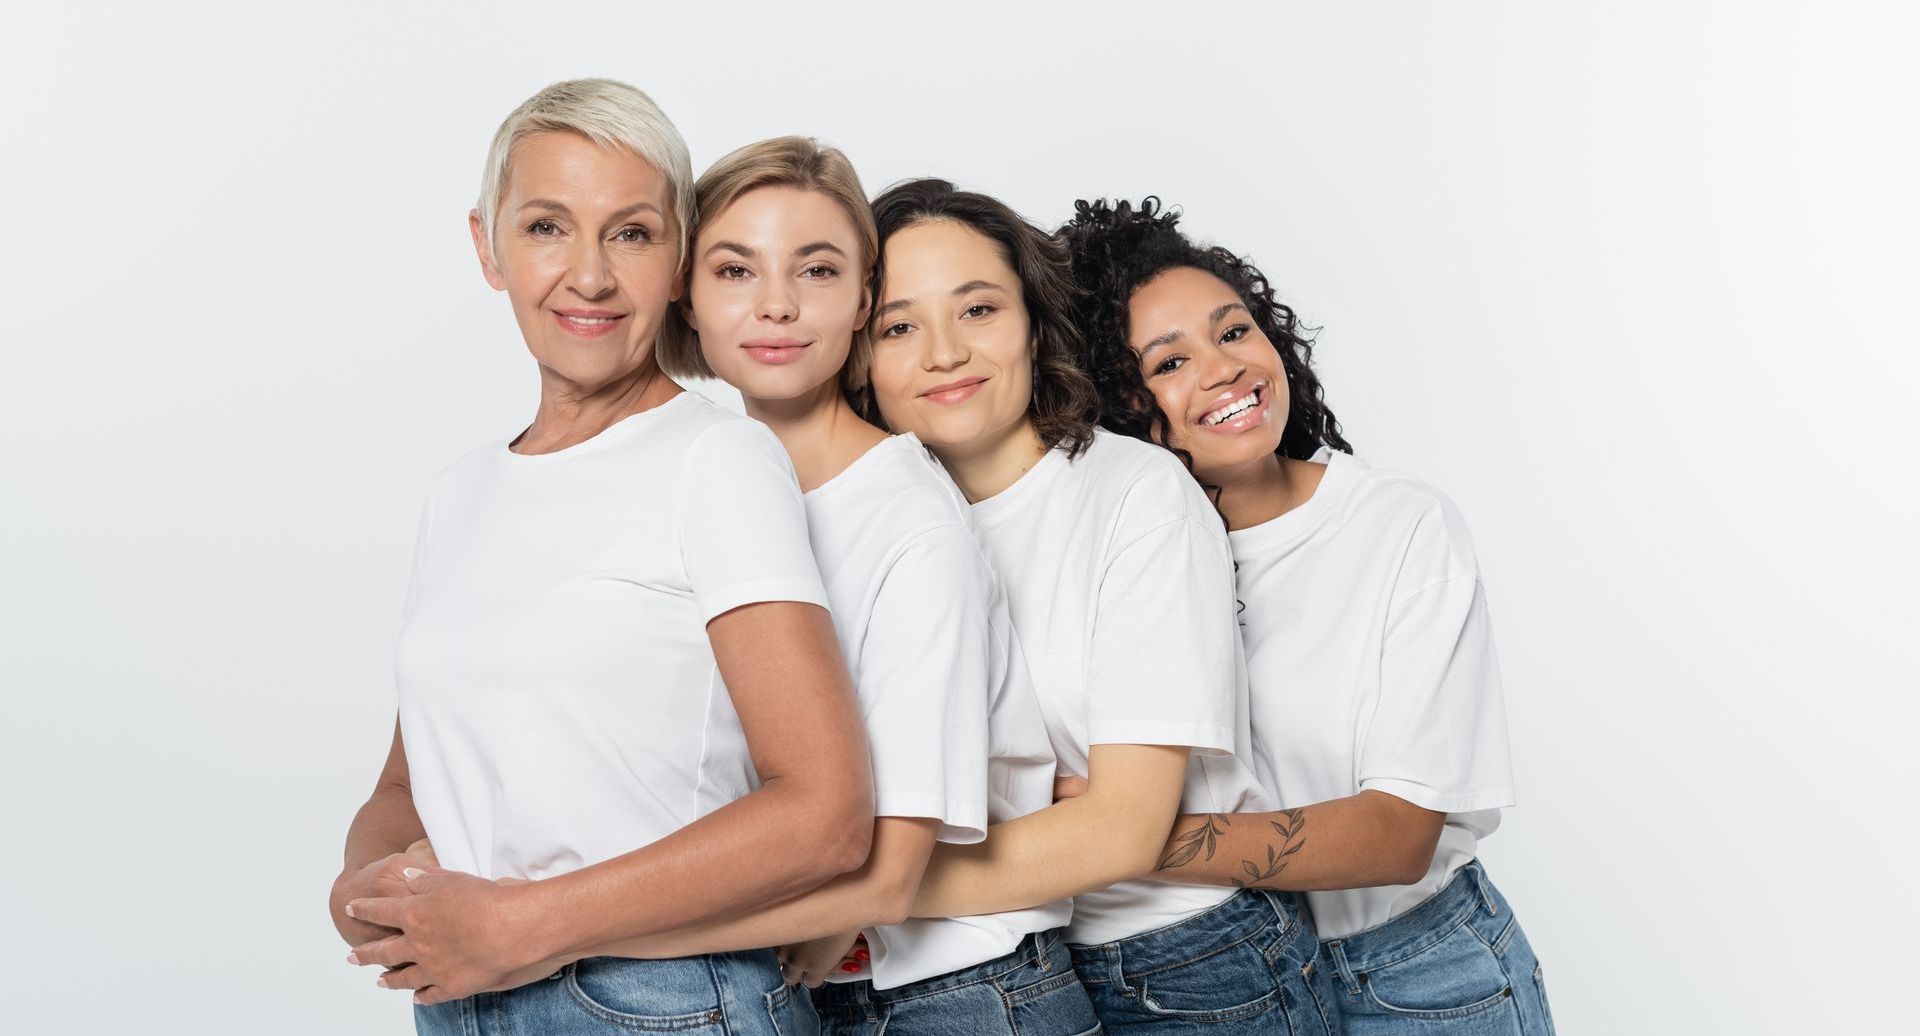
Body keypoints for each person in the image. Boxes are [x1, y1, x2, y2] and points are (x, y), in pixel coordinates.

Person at [330, 80, 874, 1036]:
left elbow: (825, 812)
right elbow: (406, 788)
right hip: (463, 1001)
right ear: (486, 245)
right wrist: (362, 892)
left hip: (659, 1004)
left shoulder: (717, 459)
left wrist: (520, 923)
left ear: (677, 263)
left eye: (630, 233)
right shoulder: (460, 494)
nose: (588, 276)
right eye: (547, 226)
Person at [581, 135, 1098, 1036]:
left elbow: (888, 878)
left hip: (963, 996)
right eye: (735, 270)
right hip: (808, 991)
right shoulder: (708, 491)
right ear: (687, 297)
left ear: (862, 300)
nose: (775, 306)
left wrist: (572, 932)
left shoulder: (908, 520)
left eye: (815, 271)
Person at [1057, 197, 1555, 1034]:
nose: (1222, 370)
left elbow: (1396, 834)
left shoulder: (1400, 525)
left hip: (1422, 975)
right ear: (1113, 400)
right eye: (1168, 363)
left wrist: (1125, 833)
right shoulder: (1118, 562)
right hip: (1218, 984)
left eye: (1233, 331)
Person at [856, 179, 1332, 1034]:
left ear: (1034, 324)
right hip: (1010, 960)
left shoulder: (1133, 494)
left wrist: (857, 891)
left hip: (1188, 962)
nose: (943, 353)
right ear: (860, 357)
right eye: (899, 326)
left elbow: (1121, 830)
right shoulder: (880, 519)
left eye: (978, 310)